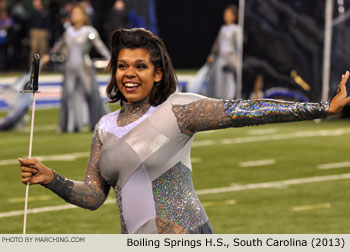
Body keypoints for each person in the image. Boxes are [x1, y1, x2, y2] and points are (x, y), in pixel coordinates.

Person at [19, 28, 350, 234]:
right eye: (122, 66)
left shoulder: (180, 110)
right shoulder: (104, 127)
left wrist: (323, 107)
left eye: (140, 66)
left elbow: (246, 111)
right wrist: (52, 179)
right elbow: (93, 196)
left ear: (159, 73)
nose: (129, 74)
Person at [41, 4, 110, 133]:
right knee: (68, 96)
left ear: (84, 16)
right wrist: (48, 56)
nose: (74, 15)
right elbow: (58, 46)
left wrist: (111, 58)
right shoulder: (68, 32)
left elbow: (100, 47)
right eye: (73, 13)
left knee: (91, 95)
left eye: (77, 13)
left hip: (84, 67)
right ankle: (69, 125)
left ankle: (97, 123)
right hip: (69, 68)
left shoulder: (89, 31)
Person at [207, 4, 241, 99]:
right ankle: (218, 98)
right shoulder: (223, 29)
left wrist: (236, 59)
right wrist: (213, 54)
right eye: (225, 14)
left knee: (229, 80)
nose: (226, 15)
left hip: (231, 59)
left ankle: (230, 97)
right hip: (221, 58)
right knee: (217, 79)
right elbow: (217, 44)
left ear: (234, 16)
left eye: (228, 14)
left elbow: (239, 46)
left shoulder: (236, 29)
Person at [29, 0, 51, 67]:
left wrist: (48, 31)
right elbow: (30, 22)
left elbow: (49, 22)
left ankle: (42, 67)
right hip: (35, 31)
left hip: (43, 31)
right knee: (34, 49)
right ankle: (32, 67)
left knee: (43, 49)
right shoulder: (32, 12)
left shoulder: (45, 11)